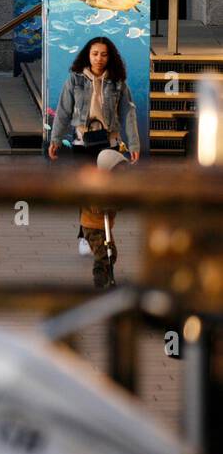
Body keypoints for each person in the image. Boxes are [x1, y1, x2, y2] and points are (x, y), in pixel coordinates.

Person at [48, 36, 141, 165]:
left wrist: (134, 144)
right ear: (88, 55)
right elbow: (63, 111)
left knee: (107, 183)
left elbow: (128, 114)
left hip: (110, 142)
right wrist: (56, 139)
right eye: (95, 54)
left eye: (104, 55)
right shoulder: (75, 79)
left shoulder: (118, 82)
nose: (99, 59)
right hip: (82, 141)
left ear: (109, 57)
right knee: (83, 183)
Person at [81, 149, 130, 289]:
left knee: (111, 253)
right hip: (92, 226)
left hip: (104, 225)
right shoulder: (96, 185)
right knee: (102, 253)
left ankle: (107, 276)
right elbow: (94, 205)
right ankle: (99, 279)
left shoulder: (112, 185)